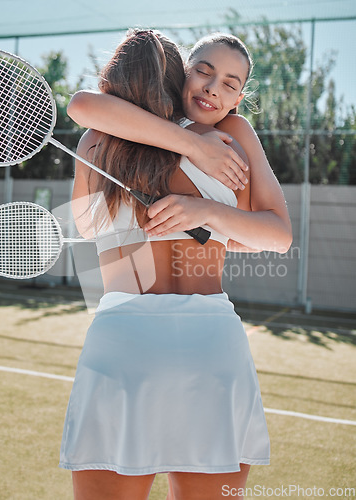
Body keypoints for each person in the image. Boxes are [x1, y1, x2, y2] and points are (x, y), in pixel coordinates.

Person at [60, 29, 292, 500]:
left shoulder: (94, 144)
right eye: (202, 71)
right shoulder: (228, 138)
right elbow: (275, 234)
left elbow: (88, 228)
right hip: (211, 344)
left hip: (121, 342)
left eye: (229, 83)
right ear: (178, 75)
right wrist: (207, 197)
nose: (212, 87)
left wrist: (203, 214)